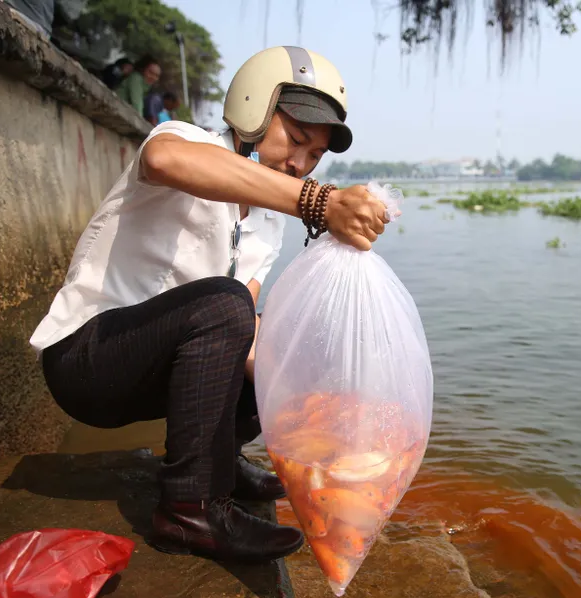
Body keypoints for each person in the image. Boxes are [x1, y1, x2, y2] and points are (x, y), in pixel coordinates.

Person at [29, 47, 390, 563]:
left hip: (151, 370)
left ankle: (222, 463)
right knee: (226, 304)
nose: (300, 164)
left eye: (315, 158)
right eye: (297, 140)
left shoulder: (268, 221)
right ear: (255, 108)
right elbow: (164, 161)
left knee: (282, 346)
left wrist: (315, 407)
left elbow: (245, 335)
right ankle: (188, 509)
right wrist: (318, 201)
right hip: (86, 358)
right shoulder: (186, 141)